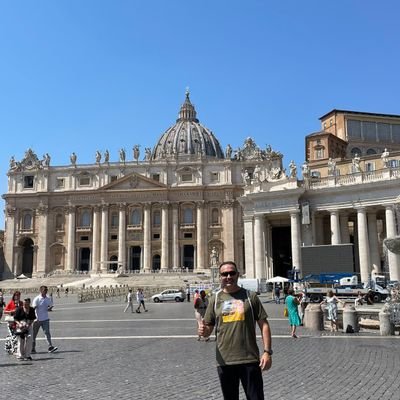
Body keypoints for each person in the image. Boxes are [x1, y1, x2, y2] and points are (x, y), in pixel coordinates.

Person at [199, 261, 272, 400]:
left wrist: (267, 352)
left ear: (238, 275)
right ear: (219, 276)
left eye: (231, 273)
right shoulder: (214, 299)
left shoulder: (251, 297)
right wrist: (203, 331)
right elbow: (209, 328)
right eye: (224, 274)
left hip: (249, 359)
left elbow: (264, 325)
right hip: (225, 361)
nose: (228, 276)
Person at [32, 286, 58, 353]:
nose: (46, 291)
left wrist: (49, 308)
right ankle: (32, 348)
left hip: (45, 319)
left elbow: (50, 306)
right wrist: (34, 318)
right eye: (44, 290)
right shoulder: (37, 299)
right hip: (37, 320)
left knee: (47, 333)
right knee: (34, 334)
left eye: (46, 290)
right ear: (41, 291)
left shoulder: (47, 298)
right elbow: (33, 309)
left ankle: (50, 346)